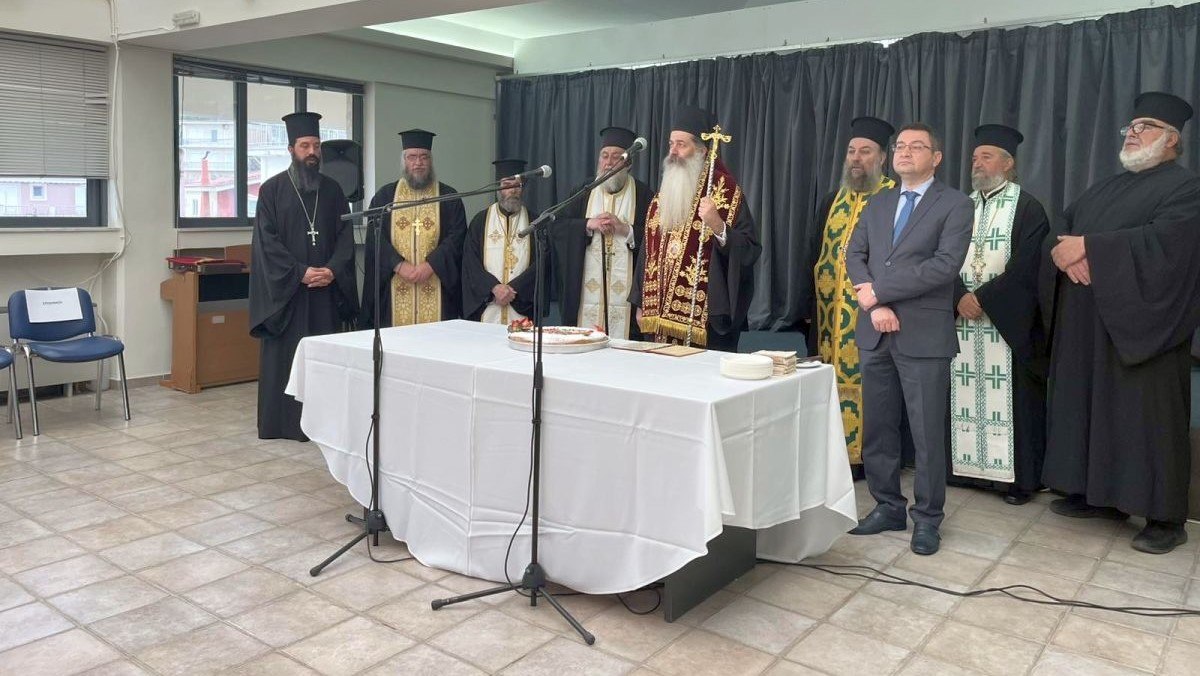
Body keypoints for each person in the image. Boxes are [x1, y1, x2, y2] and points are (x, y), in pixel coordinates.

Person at [1042, 91, 1200, 554]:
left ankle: (1165, 519)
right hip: (1090, 329)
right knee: (1093, 412)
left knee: (1147, 422)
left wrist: (1090, 247)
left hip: (1146, 332)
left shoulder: (1186, 188)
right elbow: (1062, 228)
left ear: (1172, 139)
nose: (1133, 133)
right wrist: (1064, 253)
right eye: (1131, 127)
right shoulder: (1104, 188)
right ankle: (1099, 497)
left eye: (1145, 127)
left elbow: (1172, 246)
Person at [844, 122, 974, 555]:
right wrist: (874, 305)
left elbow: (944, 266)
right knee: (879, 427)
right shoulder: (879, 201)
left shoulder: (955, 204)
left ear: (935, 158)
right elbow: (855, 254)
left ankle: (928, 519)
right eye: (900, 146)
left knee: (926, 432)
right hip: (875, 328)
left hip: (923, 334)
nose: (904, 152)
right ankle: (887, 506)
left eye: (916, 146)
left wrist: (881, 291)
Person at [950, 124, 1050, 505]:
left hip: (1008, 326)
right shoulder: (960, 207)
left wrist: (982, 299)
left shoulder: (1029, 208)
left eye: (986, 157)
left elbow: (1027, 268)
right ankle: (966, 471)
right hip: (962, 322)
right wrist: (958, 296)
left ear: (1008, 164)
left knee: (1015, 400)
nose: (977, 163)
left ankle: (1017, 481)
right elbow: (940, 258)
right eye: (975, 157)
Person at [249, 112, 358, 441]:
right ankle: (283, 424)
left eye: (316, 145)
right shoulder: (271, 191)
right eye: (305, 145)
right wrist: (300, 272)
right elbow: (266, 242)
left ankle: (324, 425)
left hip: (325, 292)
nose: (312, 152)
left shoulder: (334, 190)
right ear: (291, 149)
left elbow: (345, 238)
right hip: (289, 296)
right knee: (286, 359)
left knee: (325, 360)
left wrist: (332, 270)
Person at [808, 116, 897, 478]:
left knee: (875, 388)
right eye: (851, 151)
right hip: (830, 318)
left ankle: (868, 460)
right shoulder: (832, 200)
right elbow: (813, 256)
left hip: (875, 315)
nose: (856, 158)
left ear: (883, 158)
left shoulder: (894, 198)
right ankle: (834, 454)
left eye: (865, 151)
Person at [632, 105, 761, 352]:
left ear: (701, 151)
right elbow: (647, 253)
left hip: (706, 321)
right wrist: (640, 304)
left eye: (681, 145)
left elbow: (750, 250)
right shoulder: (662, 196)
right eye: (671, 144)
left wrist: (718, 225)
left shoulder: (726, 193)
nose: (673, 151)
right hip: (657, 318)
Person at [360, 129, 467, 327]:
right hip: (394, 287)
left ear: (431, 161)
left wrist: (431, 265)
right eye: (412, 157)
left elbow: (457, 237)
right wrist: (399, 265)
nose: (418, 163)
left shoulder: (448, 197)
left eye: (424, 157)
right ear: (404, 160)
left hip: (437, 286)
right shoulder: (385, 197)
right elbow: (376, 238)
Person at [554, 126, 652, 339]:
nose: (608, 162)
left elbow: (656, 241)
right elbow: (558, 227)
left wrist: (625, 229)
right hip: (584, 294)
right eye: (604, 156)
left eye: (616, 157)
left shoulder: (644, 194)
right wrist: (588, 224)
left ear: (628, 163)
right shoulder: (583, 190)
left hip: (628, 303)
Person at [462, 159, 541, 323]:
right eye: (507, 185)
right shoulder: (480, 221)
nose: (512, 190)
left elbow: (541, 264)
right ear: (498, 187)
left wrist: (514, 289)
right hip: (488, 304)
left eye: (517, 185)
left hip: (521, 304)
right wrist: (493, 288)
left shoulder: (535, 222)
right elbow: (471, 262)